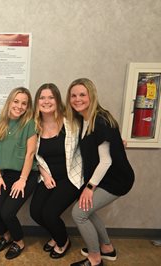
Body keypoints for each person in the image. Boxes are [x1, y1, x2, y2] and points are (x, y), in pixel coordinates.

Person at [66, 78, 135, 266]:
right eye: (73, 95)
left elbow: (106, 161)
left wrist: (89, 187)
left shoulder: (100, 120)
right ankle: (107, 248)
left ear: (91, 95)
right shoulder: (84, 118)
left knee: (79, 213)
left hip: (116, 179)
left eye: (82, 94)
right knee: (87, 208)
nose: (77, 99)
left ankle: (95, 259)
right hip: (103, 177)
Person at [30, 83, 83, 259]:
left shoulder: (72, 121)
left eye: (51, 97)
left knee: (50, 213)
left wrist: (114, 140)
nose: (46, 101)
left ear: (57, 100)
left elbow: (94, 134)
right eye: (42, 98)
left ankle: (63, 241)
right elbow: (33, 156)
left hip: (71, 177)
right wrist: (44, 175)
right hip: (48, 177)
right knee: (36, 212)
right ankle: (56, 234)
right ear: (37, 102)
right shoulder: (34, 126)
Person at [0, 86, 39, 260]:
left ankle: (19, 241)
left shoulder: (30, 124)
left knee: (7, 213)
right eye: (16, 101)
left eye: (24, 103)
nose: (19, 106)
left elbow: (31, 153)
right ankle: (7, 236)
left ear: (28, 106)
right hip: (5, 175)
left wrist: (22, 180)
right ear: (9, 101)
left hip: (26, 175)